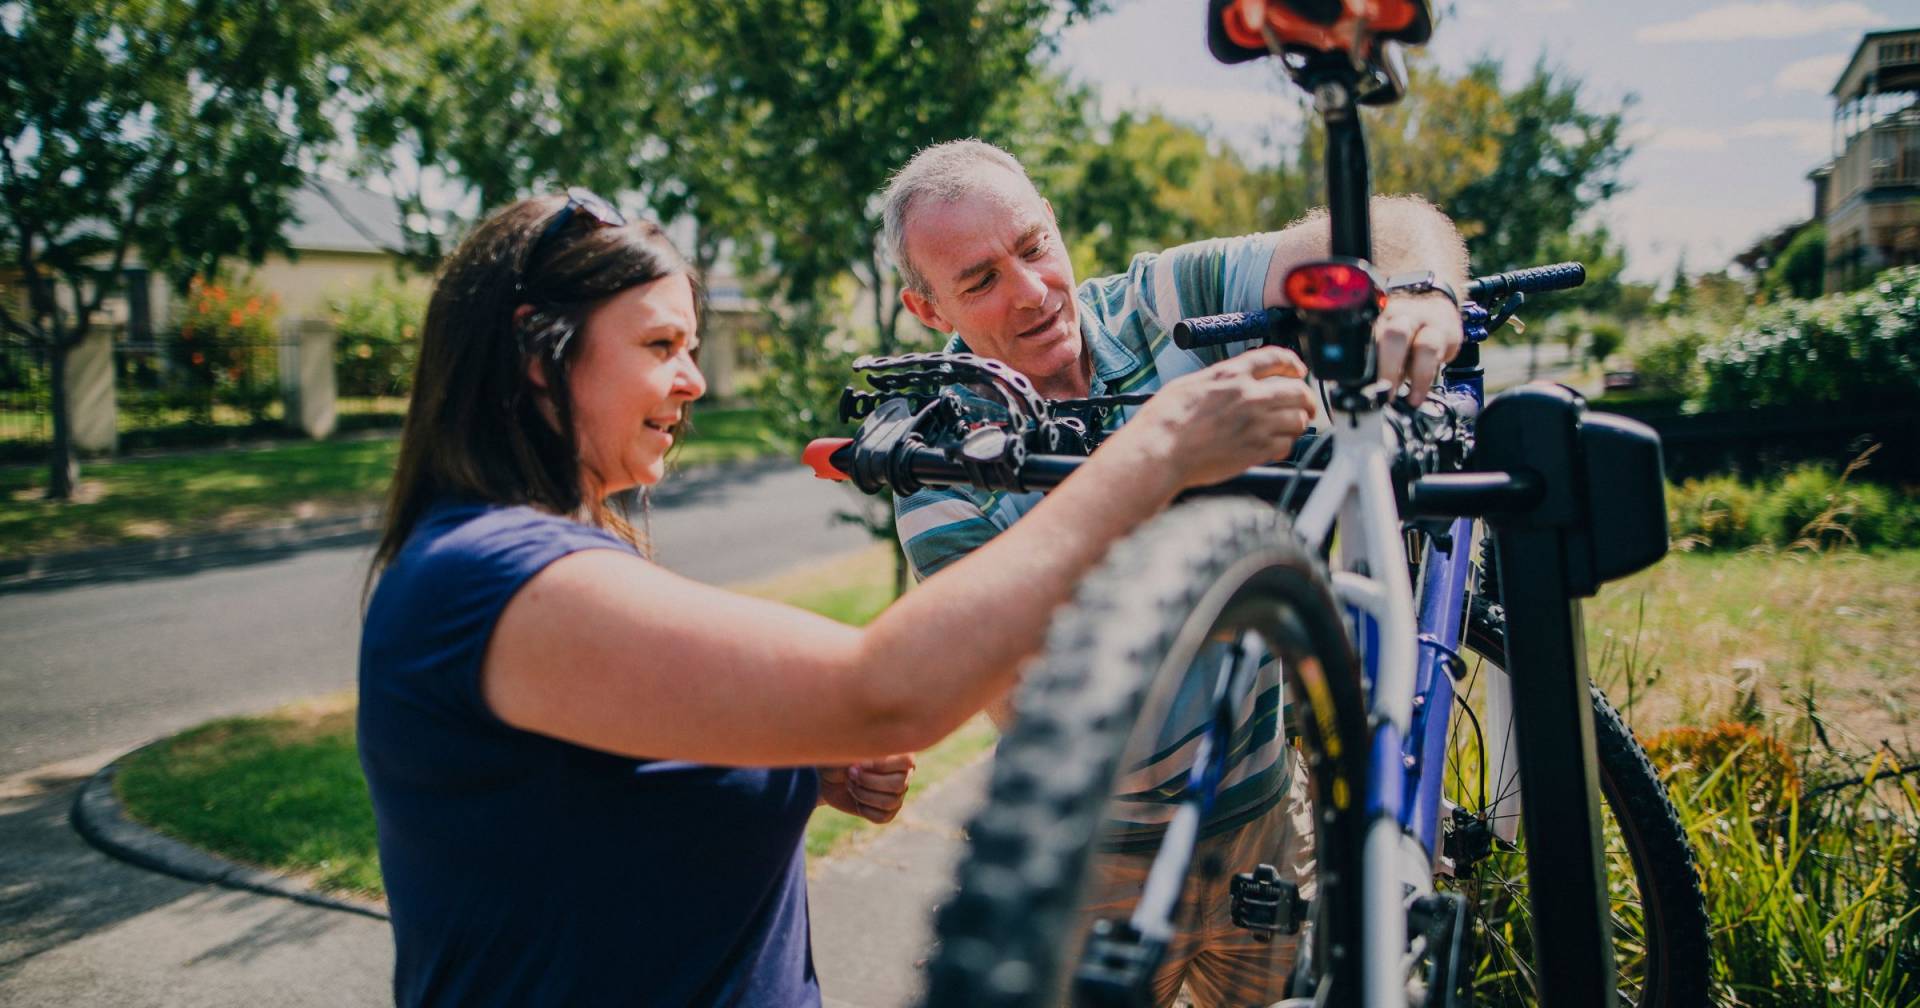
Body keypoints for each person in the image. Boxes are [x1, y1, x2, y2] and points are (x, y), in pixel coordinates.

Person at [355, 187, 1322, 1007]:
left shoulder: (552, 558)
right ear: (538, 354)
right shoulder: (483, 579)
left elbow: (589, 805)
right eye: (660, 346)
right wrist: (1157, 451)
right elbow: (886, 690)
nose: (692, 381)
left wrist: (788, 769)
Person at [880, 139, 1469, 1005]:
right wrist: (1164, 465)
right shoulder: (937, 456)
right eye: (979, 281)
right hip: (1092, 864)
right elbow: (1022, 693)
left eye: (1035, 246)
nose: (1033, 291)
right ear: (927, 311)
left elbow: (1387, 228)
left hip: (1271, 825)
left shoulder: (1154, 302)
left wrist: (1418, 286)